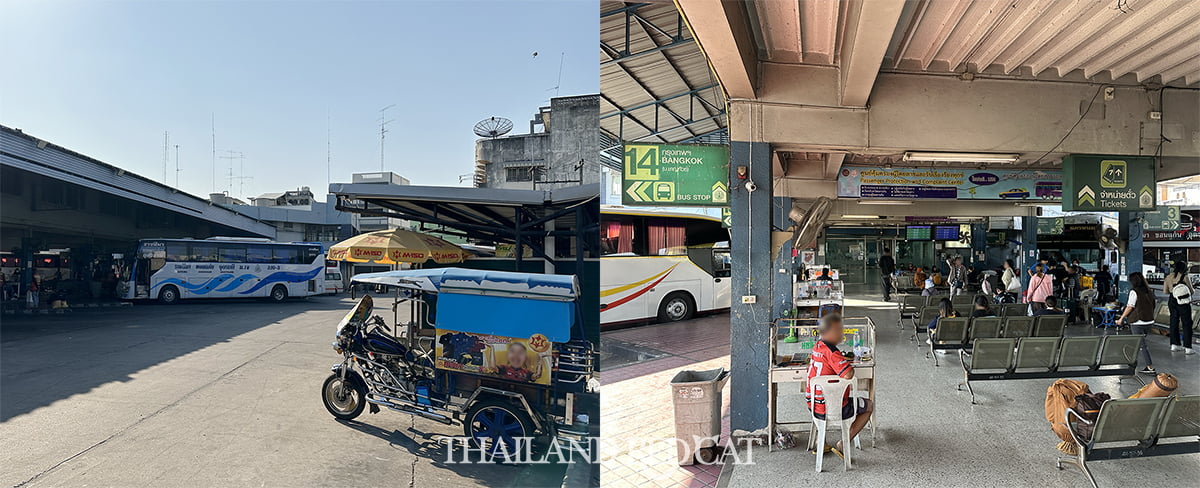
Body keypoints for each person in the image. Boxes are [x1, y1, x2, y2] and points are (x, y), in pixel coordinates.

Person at [806, 313, 873, 455]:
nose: (841, 334)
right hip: (831, 408)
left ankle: (820, 441)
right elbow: (848, 374)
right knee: (869, 406)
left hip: (813, 404)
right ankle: (844, 442)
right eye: (838, 331)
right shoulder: (832, 351)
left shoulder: (818, 346)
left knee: (826, 396)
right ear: (827, 332)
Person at [1115, 272, 1158, 375]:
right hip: (1149, 321)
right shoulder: (1149, 291)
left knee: (1141, 344)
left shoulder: (1134, 292)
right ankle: (1132, 362)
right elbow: (1153, 305)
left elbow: (1130, 306)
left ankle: (1150, 367)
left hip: (1138, 322)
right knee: (1138, 343)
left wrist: (1121, 318)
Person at [1163, 261, 1195, 354]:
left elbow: (1165, 291)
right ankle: (1188, 347)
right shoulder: (1184, 277)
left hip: (1172, 300)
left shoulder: (1168, 277)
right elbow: (1191, 291)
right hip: (1183, 301)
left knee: (1173, 321)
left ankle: (1174, 345)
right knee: (1187, 323)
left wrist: (1174, 291)